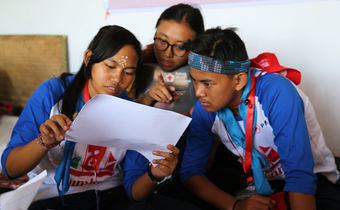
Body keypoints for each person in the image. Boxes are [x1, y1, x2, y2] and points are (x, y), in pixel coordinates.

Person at [0, 25, 200, 210]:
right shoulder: (53, 94)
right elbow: (11, 169)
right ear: (88, 58)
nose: (117, 79)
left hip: (112, 195)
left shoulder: (131, 111)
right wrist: (44, 142)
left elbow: (135, 193)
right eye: (110, 66)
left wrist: (154, 175)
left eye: (128, 72)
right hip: (55, 195)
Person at [175, 27, 340, 210]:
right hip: (253, 175)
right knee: (173, 193)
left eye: (207, 83)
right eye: (195, 80)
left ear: (239, 80)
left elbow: (300, 173)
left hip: (311, 176)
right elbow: (191, 173)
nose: (198, 92)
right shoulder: (204, 108)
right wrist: (236, 205)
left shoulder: (276, 92)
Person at [134, 3, 204, 117]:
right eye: (162, 40)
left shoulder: (210, 69)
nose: (167, 54)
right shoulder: (135, 61)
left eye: (180, 47)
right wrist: (147, 98)